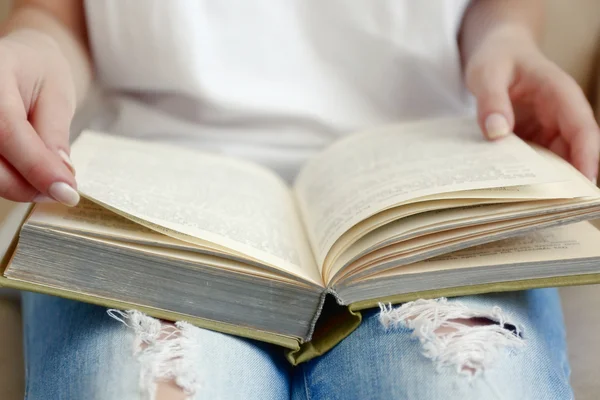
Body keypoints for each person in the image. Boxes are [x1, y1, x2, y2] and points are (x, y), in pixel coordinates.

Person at [1, 0, 596, 399]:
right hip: (146, 183)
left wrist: (506, 39)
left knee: (465, 381)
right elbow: (58, 13)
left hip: (426, 187)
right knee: (143, 383)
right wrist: (34, 42)